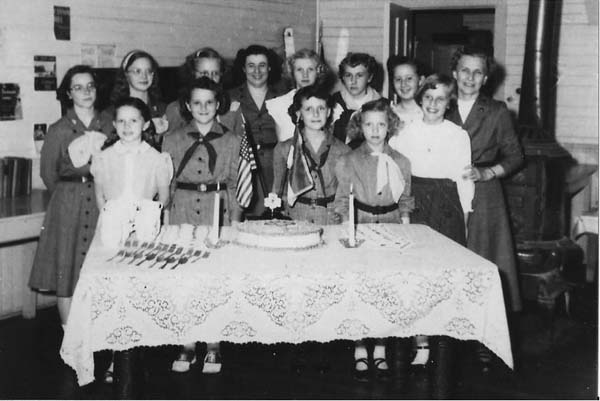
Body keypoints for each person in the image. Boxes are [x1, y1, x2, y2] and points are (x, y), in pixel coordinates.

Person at [389, 74, 474, 397]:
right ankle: (418, 340)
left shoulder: (458, 135)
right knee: (414, 273)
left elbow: (465, 179)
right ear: (421, 99)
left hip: (448, 203)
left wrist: (464, 217)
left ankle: (442, 337)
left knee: (442, 273)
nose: (434, 104)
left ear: (449, 102)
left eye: (441, 99)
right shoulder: (406, 131)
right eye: (428, 98)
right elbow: (395, 169)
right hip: (416, 200)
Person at [446, 46, 524, 373]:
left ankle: (484, 339)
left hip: (485, 194)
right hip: (447, 192)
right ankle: (447, 335)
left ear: (486, 78)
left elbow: (516, 156)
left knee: (483, 261)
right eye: (465, 70)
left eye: (477, 72)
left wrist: (489, 172)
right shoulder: (439, 103)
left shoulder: (496, 111)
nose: (470, 78)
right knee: (448, 262)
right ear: (454, 73)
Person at [162, 76, 243, 374]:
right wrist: (167, 221)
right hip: (183, 208)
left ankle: (213, 344)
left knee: (213, 278)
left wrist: (234, 222)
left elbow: (235, 183)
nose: (204, 107)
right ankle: (186, 343)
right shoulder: (172, 138)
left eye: (210, 102)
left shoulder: (232, 140)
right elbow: (167, 183)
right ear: (187, 105)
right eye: (197, 102)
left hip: (216, 211)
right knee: (185, 278)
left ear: (218, 104)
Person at [89, 96, 172, 383]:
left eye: (133, 120)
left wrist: (144, 220)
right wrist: (114, 221)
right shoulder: (104, 156)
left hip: (143, 232)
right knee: (115, 294)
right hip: (113, 232)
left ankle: (139, 355)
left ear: (145, 124)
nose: (127, 126)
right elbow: (100, 195)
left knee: (140, 292)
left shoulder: (156, 157)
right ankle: (115, 357)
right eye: (121, 121)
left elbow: (165, 196)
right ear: (114, 125)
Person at [333, 98, 413, 382]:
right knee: (361, 287)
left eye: (381, 124)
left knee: (384, 288)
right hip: (361, 226)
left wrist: (404, 227)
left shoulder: (401, 161)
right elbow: (342, 200)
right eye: (369, 124)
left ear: (389, 126)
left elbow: (405, 200)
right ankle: (358, 346)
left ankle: (380, 345)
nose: (375, 130)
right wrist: (347, 229)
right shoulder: (349, 161)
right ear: (360, 127)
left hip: (391, 226)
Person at [28, 65, 113, 331]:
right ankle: (70, 335)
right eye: (78, 87)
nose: (86, 92)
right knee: (67, 266)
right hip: (68, 204)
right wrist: (69, 195)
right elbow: (48, 174)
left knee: (101, 266)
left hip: (103, 201)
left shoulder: (110, 123)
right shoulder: (59, 129)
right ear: (68, 92)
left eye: (90, 86)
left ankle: (98, 331)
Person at [271, 85, 350, 224]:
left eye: (321, 108)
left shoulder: (343, 151)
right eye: (308, 109)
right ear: (298, 114)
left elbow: (345, 195)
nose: (315, 114)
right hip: (295, 220)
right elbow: (277, 192)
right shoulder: (284, 149)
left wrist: (342, 218)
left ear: (329, 112)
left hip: (330, 220)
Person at [228, 44, 283, 218]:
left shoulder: (283, 96)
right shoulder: (230, 97)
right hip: (244, 165)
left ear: (269, 67)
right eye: (251, 65)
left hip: (275, 165)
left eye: (262, 65)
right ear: (244, 69)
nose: (257, 71)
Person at [107, 50, 169, 149]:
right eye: (137, 71)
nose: (144, 76)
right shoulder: (111, 112)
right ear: (126, 74)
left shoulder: (165, 109)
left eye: (148, 71)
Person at [265, 48, 330, 142]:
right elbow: (281, 144)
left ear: (318, 72)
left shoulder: (329, 104)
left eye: (310, 69)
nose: (305, 75)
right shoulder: (279, 105)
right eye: (300, 70)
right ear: (292, 72)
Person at [164, 47, 229, 134]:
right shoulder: (176, 110)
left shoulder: (231, 109)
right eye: (204, 73)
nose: (210, 78)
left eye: (215, 73)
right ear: (192, 74)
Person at [331, 52, 381, 149]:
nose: (353, 81)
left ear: (370, 77)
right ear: (342, 77)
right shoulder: (333, 102)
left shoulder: (382, 105)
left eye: (359, 75)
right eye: (348, 75)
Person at [386, 55, 425, 128]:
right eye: (398, 79)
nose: (403, 84)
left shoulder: (428, 113)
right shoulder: (389, 113)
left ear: (421, 80)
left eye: (409, 78)